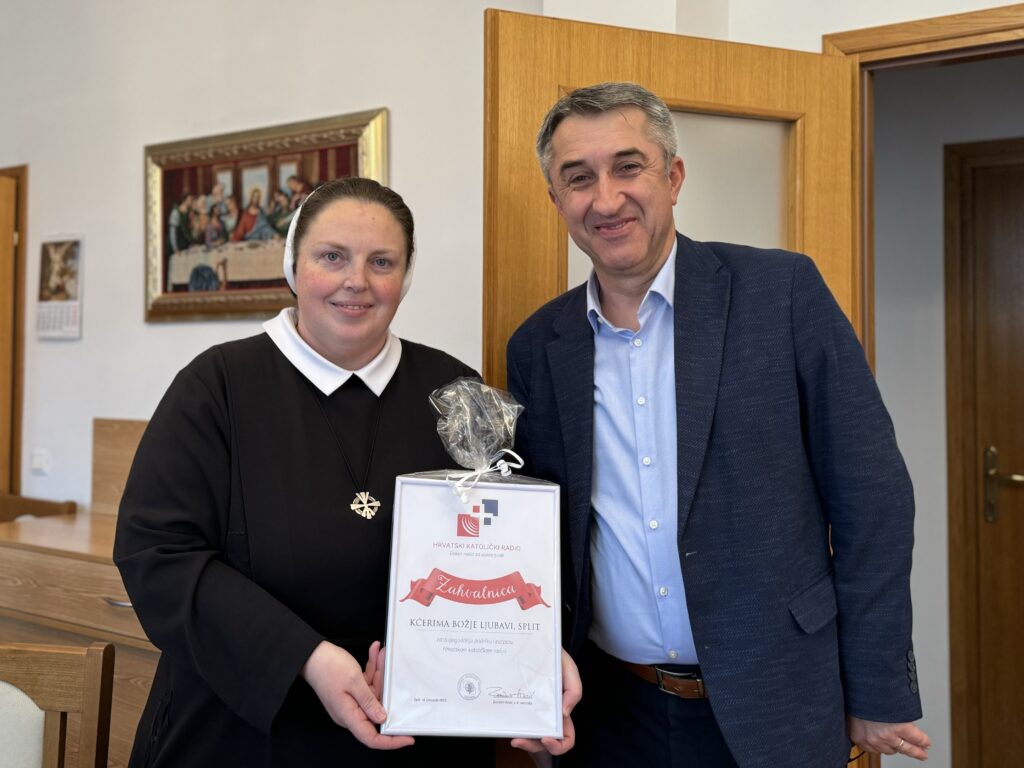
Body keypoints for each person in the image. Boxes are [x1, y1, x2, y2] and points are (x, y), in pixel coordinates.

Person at [505, 82, 932, 768]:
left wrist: (876, 685)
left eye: (628, 167)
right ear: (557, 199)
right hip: (611, 714)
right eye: (578, 178)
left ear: (673, 177)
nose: (606, 199)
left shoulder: (781, 293)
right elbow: (539, 538)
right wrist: (519, 685)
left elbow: (873, 499)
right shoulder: (538, 346)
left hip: (778, 699)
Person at [116, 177, 499, 766]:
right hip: (243, 732)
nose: (357, 280)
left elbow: (504, 549)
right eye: (332, 257)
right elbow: (157, 554)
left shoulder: (456, 393)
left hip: (414, 725)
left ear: (405, 278)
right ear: (293, 267)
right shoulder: (217, 386)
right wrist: (307, 658)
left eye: (382, 262)